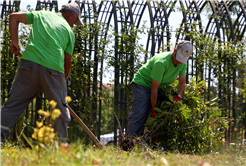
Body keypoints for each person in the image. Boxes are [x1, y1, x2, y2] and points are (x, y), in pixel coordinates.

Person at [0, 2, 83, 143]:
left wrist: (15, 41)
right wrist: (61, 88)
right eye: (75, 21)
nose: (74, 25)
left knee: (13, 105)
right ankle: (59, 148)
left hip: (28, 66)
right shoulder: (69, 32)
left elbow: (13, 17)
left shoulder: (41, 14)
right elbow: (67, 64)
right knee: (60, 111)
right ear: (71, 15)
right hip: (53, 71)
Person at [127, 40, 193, 137]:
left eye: (182, 60)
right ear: (174, 50)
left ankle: (148, 142)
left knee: (162, 111)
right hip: (142, 84)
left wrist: (178, 96)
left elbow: (182, 82)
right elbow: (154, 88)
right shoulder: (161, 62)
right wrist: (154, 109)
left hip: (158, 87)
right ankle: (130, 143)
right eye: (178, 58)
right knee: (140, 113)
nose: (179, 62)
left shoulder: (183, 63)